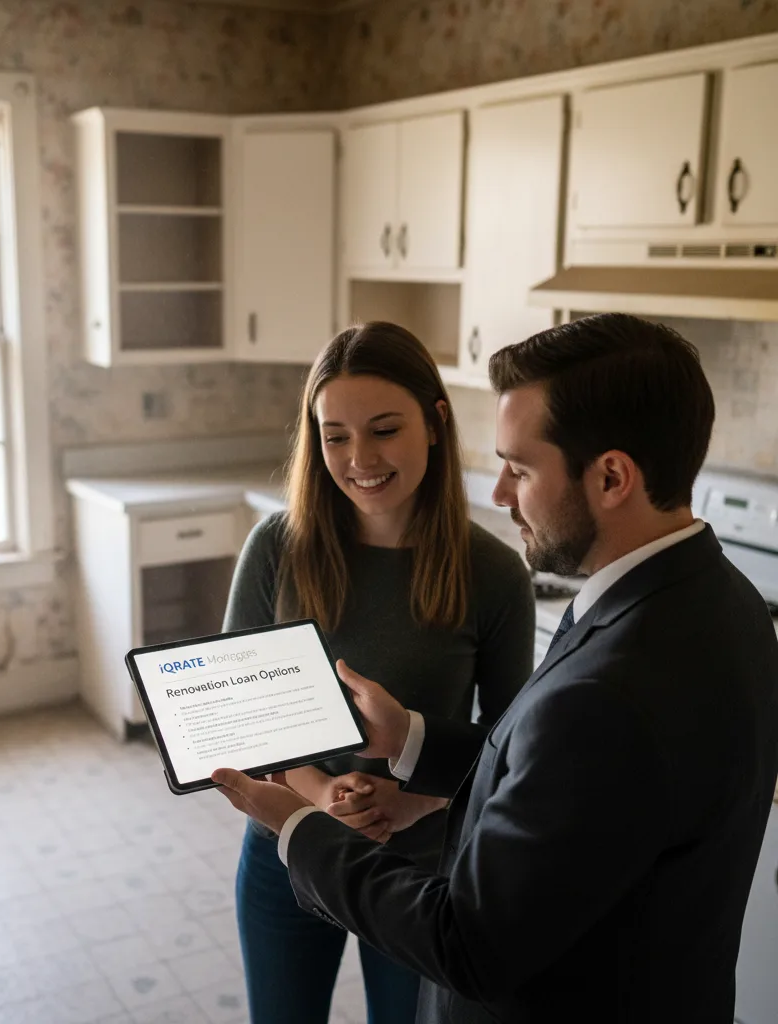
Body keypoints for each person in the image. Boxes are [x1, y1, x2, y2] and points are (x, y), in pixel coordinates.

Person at [213, 313, 778, 1024]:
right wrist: (414, 740)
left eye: (520, 467)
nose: (503, 494)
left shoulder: (606, 689)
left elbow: (466, 942)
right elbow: (549, 773)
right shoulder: (728, 603)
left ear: (611, 476)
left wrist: (299, 823)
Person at [221, 321, 535, 1024]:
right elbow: (243, 716)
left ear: (435, 422)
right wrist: (323, 790)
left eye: (385, 429)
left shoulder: (492, 574)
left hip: (421, 875)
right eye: (335, 435)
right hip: (287, 852)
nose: (360, 458)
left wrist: (410, 803)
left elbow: (513, 750)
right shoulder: (277, 547)